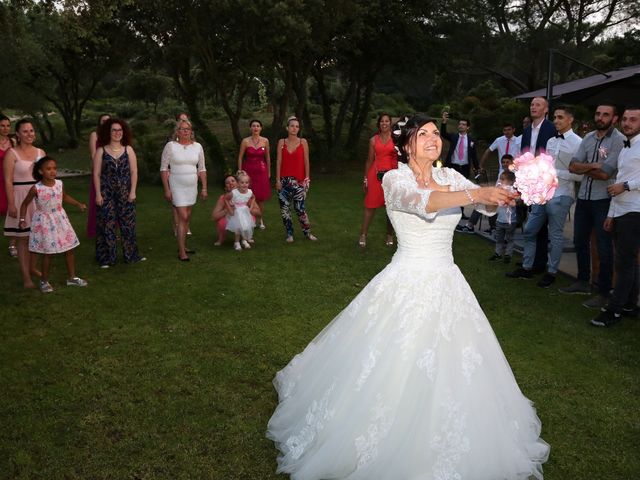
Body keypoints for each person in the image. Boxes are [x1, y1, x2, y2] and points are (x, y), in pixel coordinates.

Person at [267, 114, 548, 479]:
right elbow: (422, 202)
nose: (434, 139)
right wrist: (477, 193)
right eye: (424, 133)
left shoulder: (450, 176)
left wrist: (500, 196)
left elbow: (483, 206)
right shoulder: (394, 178)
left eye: (436, 133)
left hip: (448, 281)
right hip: (407, 278)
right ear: (407, 143)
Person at [507, 105, 582, 287]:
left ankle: (552, 271)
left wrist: (556, 173)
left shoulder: (578, 143)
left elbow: (580, 175)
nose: (556, 121)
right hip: (542, 194)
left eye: (560, 117)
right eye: (555, 117)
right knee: (530, 229)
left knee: (555, 235)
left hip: (562, 195)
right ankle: (527, 267)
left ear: (570, 120)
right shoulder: (550, 142)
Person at [560, 103, 625, 308]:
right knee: (580, 241)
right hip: (585, 199)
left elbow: (606, 173)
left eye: (606, 114)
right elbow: (572, 165)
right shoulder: (588, 138)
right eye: (598, 113)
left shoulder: (619, 141)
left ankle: (604, 292)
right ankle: (582, 281)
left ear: (614, 119)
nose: (600, 117)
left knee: (604, 247)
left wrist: (583, 168)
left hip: (604, 199)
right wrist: (593, 166)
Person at [591, 107, 640, 327]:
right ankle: (629, 303)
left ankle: (614, 310)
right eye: (626, 119)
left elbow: (623, 183)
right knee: (630, 262)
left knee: (624, 263)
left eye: (634, 120)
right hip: (620, 211)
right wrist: (611, 213)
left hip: (635, 211)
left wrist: (627, 186)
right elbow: (617, 181)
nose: (628, 123)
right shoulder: (625, 148)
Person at [18, 156, 87, 293]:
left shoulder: (59, 184)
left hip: (60, 219)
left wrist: (78, 204)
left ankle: (72, 278)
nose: (52, 171)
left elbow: (64, 197)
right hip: (45, 222)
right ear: (41, 171)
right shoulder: (36, 188)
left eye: (54, 168)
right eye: (48, 169)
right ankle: (44, 281)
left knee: (69, 248)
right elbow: (24, 204)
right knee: (48, 253)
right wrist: (22, 220)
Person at [93, 118, 145, 267]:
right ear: (108, 133)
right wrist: (98, 194)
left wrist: (133, 191)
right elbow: (96, 174)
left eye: (120, 130)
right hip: (106, 193)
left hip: (126, 193)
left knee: (128, 224)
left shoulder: (128, 149)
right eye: (114, 130)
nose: (117, 133)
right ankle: (107, 258)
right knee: (107, 224)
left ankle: (132, 255)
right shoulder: (101, 150)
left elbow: (134, 171)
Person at [3, 118, 45, 288]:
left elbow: (48, 177)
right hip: (20, 198)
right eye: (25, 131)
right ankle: (26, 277)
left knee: (38, 237)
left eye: (32, 130)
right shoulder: (11, 154)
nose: (30, 134)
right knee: (23, 239)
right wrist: (12, 204)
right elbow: (7, 181)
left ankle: (33, 267)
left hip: (38, 197)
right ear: (18, 134)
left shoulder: (41, 152)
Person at [160, 119, 208, 262]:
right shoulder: (171, 146)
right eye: (182, 129)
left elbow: (202, 168)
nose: (185, 131)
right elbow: (163, 168)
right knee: (183, 217)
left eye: (188, 129)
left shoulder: (197, 147)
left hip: (192, 186)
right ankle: (181, 252)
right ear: (177, 131)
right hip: (176, 185)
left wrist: (204, 187)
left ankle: (183, 245)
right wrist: (167, 189)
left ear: (191, 131)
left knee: (187, 216)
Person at [519, 97, 557, 274]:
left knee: (541, 226)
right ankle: (532, 261)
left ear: (546, 109)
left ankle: (539, 263)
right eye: (532, 104)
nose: (533, 107)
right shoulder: (527, 131)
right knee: (533, 224)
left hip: (546, 184)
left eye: (538, 105)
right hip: (531, 183)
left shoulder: (551, 128)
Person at [275, 116, 317, 243]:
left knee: (300, 209)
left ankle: (307, 232)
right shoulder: (281, 142)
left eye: (297, 126)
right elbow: (278, 162)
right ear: (287, 128)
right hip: (284, 181)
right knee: (285, 210)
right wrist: (277, 180)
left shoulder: (303, 142)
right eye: (292, 126)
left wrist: (307, 179)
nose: (294, 128)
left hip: (299, 181)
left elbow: (306, 161)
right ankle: (289, 234)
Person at [358, 113, 397, 247]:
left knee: (390, 207)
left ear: (390, 123)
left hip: (392, 176)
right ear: (379, 124)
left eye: (387, 121)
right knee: (370, 206)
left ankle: (389, 235)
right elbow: (369, 160)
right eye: (382, 121)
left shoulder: (396, 138)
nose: (384, 123)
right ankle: (363, 234)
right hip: (375, 175)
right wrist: (365, 179)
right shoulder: (373, 140)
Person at [456, 153, 515, 234]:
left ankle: (474, 226)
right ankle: (479, 226)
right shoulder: (501, 173)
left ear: (512, 162)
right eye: (503, 162)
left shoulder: (514, 175)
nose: (505, 164)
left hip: (508, 200)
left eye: (507, 162)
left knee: (488, 202)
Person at [441, 112, 478, 219]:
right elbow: (443, 134)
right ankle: (448, 210)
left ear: (468, 127)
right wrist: (444, 122)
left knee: (462, 191)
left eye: (463, 124)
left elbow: (474, 155)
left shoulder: (471, 140)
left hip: (464, 168)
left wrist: (477, 167)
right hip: (453, 167)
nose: (461, 126)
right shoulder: (454, 136)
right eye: (460, 124)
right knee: (451, 189)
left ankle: (460, 213)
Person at [237, 119, 271, 229]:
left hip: (261, 171)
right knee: (248, 196)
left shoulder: (265, 141)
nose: (255, 128)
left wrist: (269, 172)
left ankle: (260, 220)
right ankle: (248, 219)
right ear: (250, 128)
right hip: (248, 172)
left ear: (261, 128)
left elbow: (267, 158)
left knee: (260, 197)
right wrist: (240, 171)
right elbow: (241, 157)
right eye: (253, 126)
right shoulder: (245, 141)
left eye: (257, 126)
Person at [87, 114, 110, 238]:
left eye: (108, 120)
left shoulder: (112, 136)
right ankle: (98, 229)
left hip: (111, 174)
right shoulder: (94, 135)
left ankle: (110, 228)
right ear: (99, 123)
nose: (106, 122)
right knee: (98, 199)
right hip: (99, 172)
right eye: (103, 120)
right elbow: (93, 155)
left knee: (111, 202)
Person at [488, 170, 518, 263]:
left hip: (510, 221)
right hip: (500, 220)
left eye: (502, 180)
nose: (500, 181)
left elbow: (514, 204)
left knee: (510, 238)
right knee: (499, 238)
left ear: (511, 182)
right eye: (500, 179)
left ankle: (508, 255)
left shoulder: (513, 192)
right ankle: (498, 253)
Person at [225, 171, 256, 251]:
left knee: (245, 226)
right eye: (242, 182)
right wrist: (230, 208)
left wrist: (251, 207)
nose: (244, 184)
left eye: (246, 182)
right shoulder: (234, 193)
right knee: (238, 228)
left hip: (245, 211)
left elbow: (253, 198)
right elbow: (225, 198)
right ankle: (236, 242)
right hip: (237, 212)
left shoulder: (249, 192)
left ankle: (244, 240)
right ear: (238, 184)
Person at [0, 114, 17, 257]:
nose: (5, 128)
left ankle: (12, 244)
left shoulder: (13, 141)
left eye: (7, 126)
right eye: (2, 125)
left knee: (12, 212)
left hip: (10, 181)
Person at [212, 174, 238, 246]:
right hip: (229, 217)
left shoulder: (245, 194)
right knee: (221, 222)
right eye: (227, 182)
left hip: (242, 217)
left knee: (250, 217)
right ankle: (221, 238)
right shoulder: (223, 198)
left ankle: (246, 238)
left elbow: (257, 212)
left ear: (238, 184)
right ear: (225, 188)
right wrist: (227, 210)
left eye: (233, 181)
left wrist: (246, 209)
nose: (231, 183)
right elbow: (214, 216)